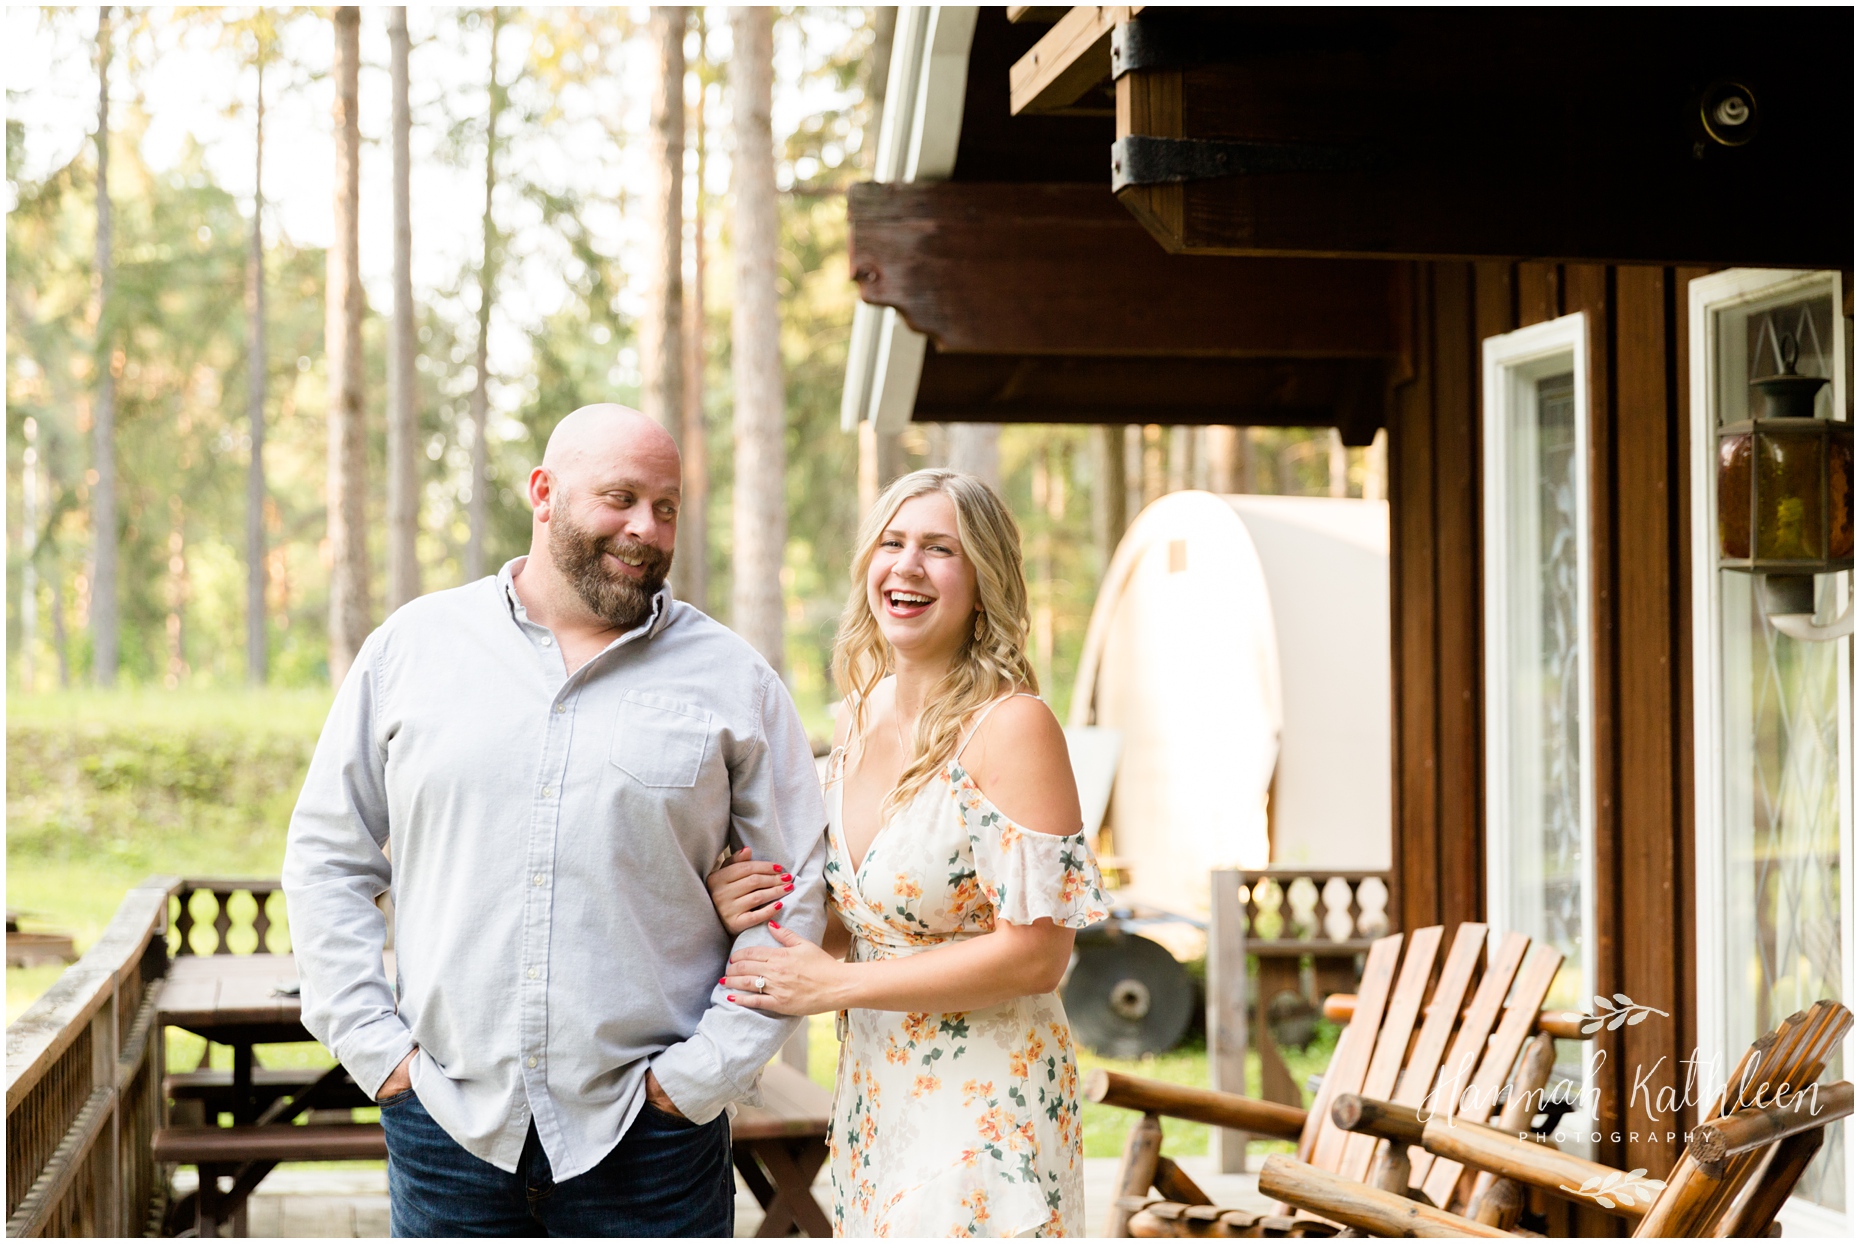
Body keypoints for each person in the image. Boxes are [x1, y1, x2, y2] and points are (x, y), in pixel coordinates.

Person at [282, 404, 828, 1237]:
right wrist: (378, 1053)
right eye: (620, 498)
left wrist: (700, 1078)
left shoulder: (734, 681)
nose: (646, 528)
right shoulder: (413, 651)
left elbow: (792, 894)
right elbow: (328, 854)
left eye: (667, 507)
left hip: (654, 1143)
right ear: (544, 493)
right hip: (449, 1129)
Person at [707, 468, 1111, 1237]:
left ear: (984, 579)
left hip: (989, 1109)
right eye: (892, 543)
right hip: (877, 1100)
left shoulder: (1012, 727)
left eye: (940, 549)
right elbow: (852, 920)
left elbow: (1038, 958)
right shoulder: (856, 717)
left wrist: (837, 987)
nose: (908, 566)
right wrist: (741, 905)